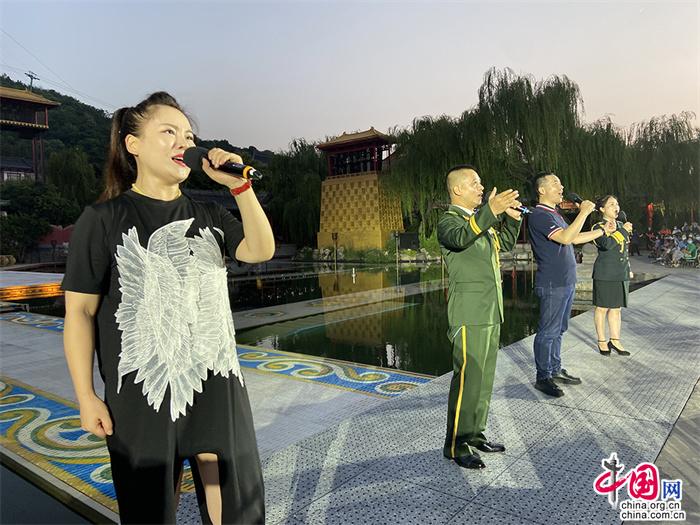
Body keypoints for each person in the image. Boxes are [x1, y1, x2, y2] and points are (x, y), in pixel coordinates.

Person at [62, 92, 274, 524]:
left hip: (217, 380)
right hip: (143, 389)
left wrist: (239, 187)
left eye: (189, 135)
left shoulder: (210, 214)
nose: (184, 142)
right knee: (149, 507)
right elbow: (80, 313)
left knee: (236, 501)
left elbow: (259, 250)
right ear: (133, 145)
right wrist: (86, 397)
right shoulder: (102, 220)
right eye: (169, 132)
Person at [438, 165, 522, 469]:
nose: (481, 188)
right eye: (474, 183)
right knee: (467, 379)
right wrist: (490, 211)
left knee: (484, 379)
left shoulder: (480, 222)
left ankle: (474, 434)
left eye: (481, 183)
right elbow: (461, 238)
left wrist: (512, 218)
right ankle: (455, 444)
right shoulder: (449, 222)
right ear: (457, 189)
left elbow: (505, 245)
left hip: (490, 310)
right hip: (468, 312)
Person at [527, 173, 615, 397]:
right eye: (555, 183)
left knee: (559, 329)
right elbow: (565, 238)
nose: (561, 186)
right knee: (548, 331)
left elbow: (573, 237)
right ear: (541, 190)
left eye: (560, 183)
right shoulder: (539, 215)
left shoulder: (555, 214)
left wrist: (602, 231)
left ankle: (555, 369)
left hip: (566, 281)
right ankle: (543, 377)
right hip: (553, 282)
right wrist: (583, 212)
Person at [591, 195, 633, 356]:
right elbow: (607, 244)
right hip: (605, 273)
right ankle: (602, 341)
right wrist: (623, 231)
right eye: (611, 204)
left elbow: (624, 250)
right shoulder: (598, 227)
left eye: (617, 204)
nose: (616, 207)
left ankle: (615, 340)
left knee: (616, 308)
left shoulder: (622, 225)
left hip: (621, 272)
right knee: (602, 308)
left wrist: (628, 268)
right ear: (602, 209)